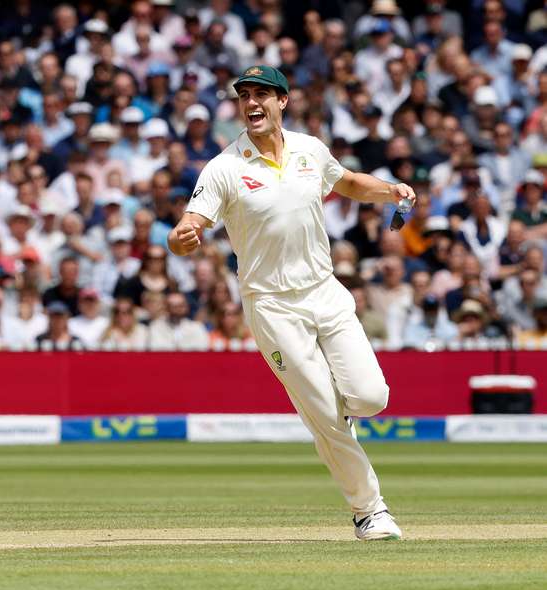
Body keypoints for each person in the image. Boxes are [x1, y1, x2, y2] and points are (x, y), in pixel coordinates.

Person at [168, 65, 415, 540]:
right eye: (245, 96)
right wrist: (183, 237)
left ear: (284, 101)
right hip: (272, 304)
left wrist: (390, 191)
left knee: (371, 398)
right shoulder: (224, 167)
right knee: (324, 413)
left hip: (324, 290)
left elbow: (345, 183)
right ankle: (370, 511)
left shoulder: (309, 149)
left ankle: (330, 411)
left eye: (263, 94)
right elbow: (188, 226)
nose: (252, 103)